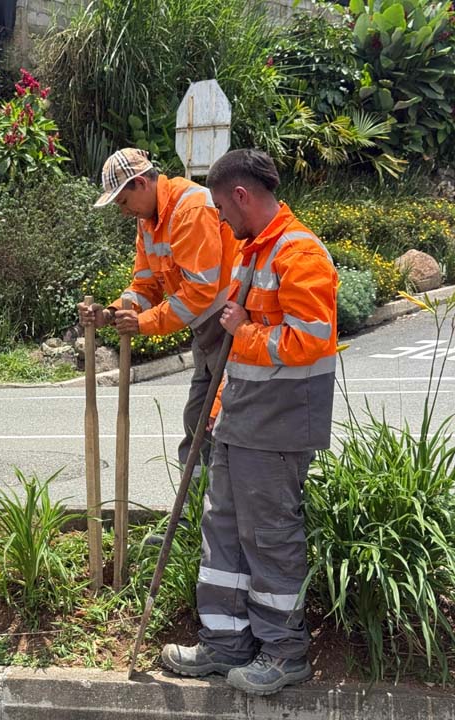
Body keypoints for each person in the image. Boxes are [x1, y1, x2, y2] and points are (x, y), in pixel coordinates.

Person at [160, 148, 338, 695]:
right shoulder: (252, 251)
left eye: (219, 205)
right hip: (240, 421)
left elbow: (311, 339)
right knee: (223, 533)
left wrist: (244, 332)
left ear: (241, 196)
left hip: (279, 427)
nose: (218, 218)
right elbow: (235, 359)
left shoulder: (299, 251)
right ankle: (224, 644)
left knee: (269, 537)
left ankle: (285, 653)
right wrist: (216, 414)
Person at [79, 148, 238, 542]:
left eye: (123, 200)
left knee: (219, 427)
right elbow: (146, 285)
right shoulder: (149, 223)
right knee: (197, 424)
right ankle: (192, 521)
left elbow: (200, 291)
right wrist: (113, 313)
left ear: (141, 183)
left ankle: (218, 525)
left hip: (232, 330)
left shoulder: (191, 208)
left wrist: (144, 323)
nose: (122, 210)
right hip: (207, 334)